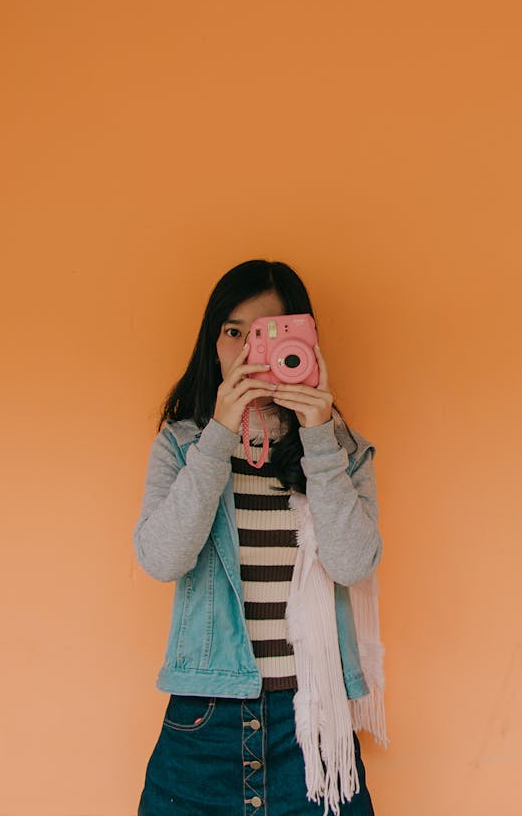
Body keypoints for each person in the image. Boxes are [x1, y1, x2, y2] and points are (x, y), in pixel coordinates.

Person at [133, 259, 386, 815]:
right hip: (206, 721)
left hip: (314, 726)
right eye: (233, 332)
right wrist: (220, 433)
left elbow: (352, 563)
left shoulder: (341, 449)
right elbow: (160, 558)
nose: (251, 349)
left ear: (305, 338)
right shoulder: (183, 446)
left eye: (271, 332)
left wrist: (319, 439)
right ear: (212, 343)